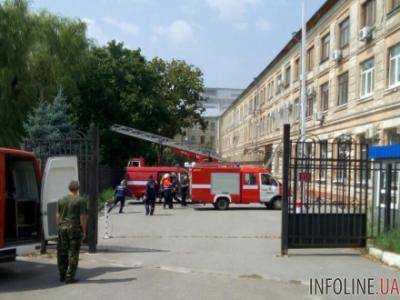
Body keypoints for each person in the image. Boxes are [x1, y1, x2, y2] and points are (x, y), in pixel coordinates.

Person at [57, 180, 87, 284]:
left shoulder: (61, 200)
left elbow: (58, 215)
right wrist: (84, 230)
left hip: (62, 228)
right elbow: (82, 217)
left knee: (62, 252)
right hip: (74, 228)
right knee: (73, 253)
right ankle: (69, 277)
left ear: (69, 188)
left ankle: (62, 275)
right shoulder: (80, 200)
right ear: (78, 188)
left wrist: (59, 226)